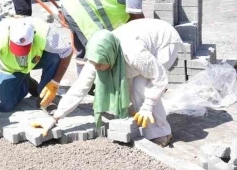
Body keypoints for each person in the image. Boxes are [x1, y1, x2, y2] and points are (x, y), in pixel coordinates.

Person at [32, 19, 182, 147]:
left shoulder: (135, 54)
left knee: (140, 86)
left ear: (110, 57)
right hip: (139, 37)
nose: (97, 69)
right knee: (130, 83)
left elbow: (160, 79)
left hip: (164, 41)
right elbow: (79, 88)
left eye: (100, 65)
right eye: (95, 64)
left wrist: (147, 107)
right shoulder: (98, 56)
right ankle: (140, 122)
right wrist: (55, 118)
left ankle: (162, 133)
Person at [0, 17, 73, 113]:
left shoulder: (45, 33)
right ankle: (24, 83)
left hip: (35, 60)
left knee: (55, 56)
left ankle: (45, 97)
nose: (20, 53)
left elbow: (67, 52)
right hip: (10, 68)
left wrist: (55, 82)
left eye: (25, 47)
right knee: (4, 106)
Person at [60, 0, 167, 61]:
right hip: (80, 7)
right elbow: (139, 23)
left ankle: (87, 83)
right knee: (98, 50)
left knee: (85, 51)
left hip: (71, 0)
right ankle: (91, 84)